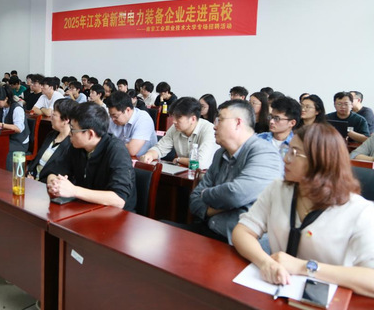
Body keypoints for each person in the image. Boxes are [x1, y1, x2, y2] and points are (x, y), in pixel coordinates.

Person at [232, 124, 374, 298]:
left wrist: (303, 267)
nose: (285, 159)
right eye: (286, 150)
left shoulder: (360, 211)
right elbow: (243, 231)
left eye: (294, 153)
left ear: (320, 161)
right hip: (275, 290)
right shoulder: (278, 189)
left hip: (327, 299)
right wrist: (266, 263)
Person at [185, 100, 282, 243]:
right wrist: (213, 208)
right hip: (209, 231)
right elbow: (194, 199)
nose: (214, 126)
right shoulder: (220, 154)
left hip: (237, 243)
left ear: (238, 123)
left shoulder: (265, 153)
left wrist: (205, 194)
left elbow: (235, 194)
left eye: (219, 120)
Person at [44, 102, 137, 211]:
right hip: (85, 208)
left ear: (90, 134)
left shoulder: (117, 151)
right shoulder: (76, 146)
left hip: (117, 215)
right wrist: (55, 183)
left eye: (73, 129)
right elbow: (54, 171)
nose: (69, 133)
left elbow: (119, 200)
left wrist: (74, 191)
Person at [139, 97, 218, 169]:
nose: (174, 121)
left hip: (205, 176)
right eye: (173, 116)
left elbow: (200, 163)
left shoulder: (209, 130)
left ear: (193, 119)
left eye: (178, 117)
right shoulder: (175, 128)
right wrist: (149, 155)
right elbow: (160, 148)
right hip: (183, 172)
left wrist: (179, 159)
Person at [27, 99, 77, 182]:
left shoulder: (72, 144)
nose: (51, 117)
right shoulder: (52, 135)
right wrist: (31, 174)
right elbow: (37, 159)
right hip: (34, 181)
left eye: (54, 115)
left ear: (66, 120)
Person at [0, 86, 29, 171]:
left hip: (19, 142)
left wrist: (1, 124)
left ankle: (6, 174)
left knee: (0, 147)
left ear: (6, 99)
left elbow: (18, 128)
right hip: (7, 138)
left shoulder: (17, 109)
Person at [107, 91, 157, 157]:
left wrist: (109, 145)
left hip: (142, 161)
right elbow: (101, 142)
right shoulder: (112, 119)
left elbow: (132, 150)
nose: (112, 119)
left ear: (128, 110)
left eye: (115, 116)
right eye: (111, 115)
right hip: (118, 158)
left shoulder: (143, 119)